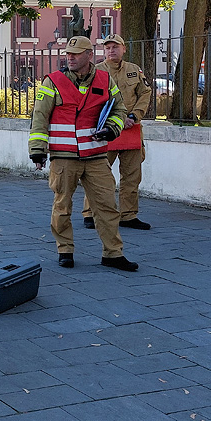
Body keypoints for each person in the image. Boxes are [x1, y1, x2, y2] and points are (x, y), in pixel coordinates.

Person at [29, 35, 137, 271]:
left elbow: (119, 109)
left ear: (90, 55)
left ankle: (113, 253)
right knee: (62, 206)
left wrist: (112, 129)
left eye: (76, 54)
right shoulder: (53, 82)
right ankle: (65, 250)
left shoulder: (104, 79)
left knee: (107, 206)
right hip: (64, 156)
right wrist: (37, 150)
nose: (70, 57)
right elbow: (39, 117)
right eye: (68, 53)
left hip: (96, 155)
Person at [82, 34, 154, 230]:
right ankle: (90, 212)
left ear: (124, 49)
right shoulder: (95, 71)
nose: (111, 51)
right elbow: (89, 100)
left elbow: (145, 93)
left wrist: (134, 116)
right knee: (98, 174)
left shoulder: (134, 70)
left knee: (132, 175)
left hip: (131, 128)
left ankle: (128, 215)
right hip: (106, 129)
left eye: (115, 47)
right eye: (107, 48)